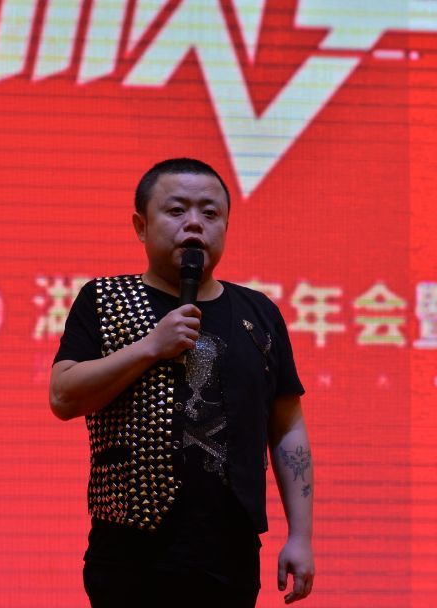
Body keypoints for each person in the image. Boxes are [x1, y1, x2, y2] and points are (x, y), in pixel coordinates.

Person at [49, 158, 314, 607]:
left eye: (210, 213)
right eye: (176, 210)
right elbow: (63, 395)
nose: (194, 224)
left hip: (229, 549)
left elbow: (288, 427)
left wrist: (301, 536)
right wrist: (151, 347)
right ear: (141, 226)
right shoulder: (105, 299)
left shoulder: (259, 313)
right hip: (130, 550)